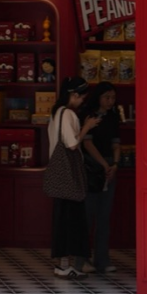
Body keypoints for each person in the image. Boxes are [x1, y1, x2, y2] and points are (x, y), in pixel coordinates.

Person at [47, 76, 99, 279]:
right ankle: (63, 265)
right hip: (68, 175)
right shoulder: (68, 113)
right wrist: (87, 127)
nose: (83, 100)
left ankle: (63, 264)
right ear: (74, 95)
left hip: (59, 173)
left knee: (62, 219)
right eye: (82, 96)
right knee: (71, 219)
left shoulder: (56, 112)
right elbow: (72, 144)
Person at [81, 82, 123, 274]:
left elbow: (116, 144)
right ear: (98, 97)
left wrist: (115, 164)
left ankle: (102, 259)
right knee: (88, 214)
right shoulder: (89, 115)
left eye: (113, 97)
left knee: (104, 216)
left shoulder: (113, 117)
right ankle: (82, 259)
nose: (110, 101)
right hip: (91, 167)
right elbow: (87, 144)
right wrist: (104, 164)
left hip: (109, 167)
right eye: (106, 97)